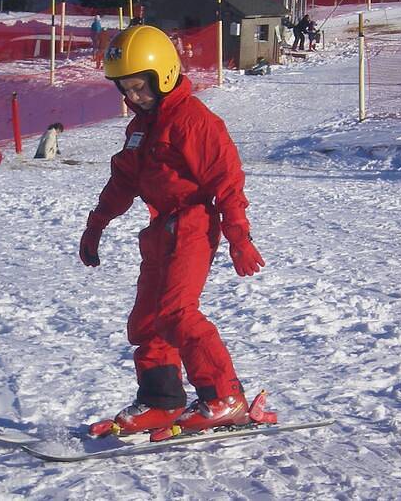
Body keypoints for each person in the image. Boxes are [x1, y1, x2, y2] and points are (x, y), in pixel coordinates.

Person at [80, 24, 265, 438]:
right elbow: (123, 182)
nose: (132, 98)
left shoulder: (194, 122)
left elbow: (227, 181)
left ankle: (225, 397)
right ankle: (162, 401)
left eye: (139, 88)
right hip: (160, 227)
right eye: (124, 89)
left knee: (178, 314)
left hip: (194, 223)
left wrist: (239, 237)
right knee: (147, 320)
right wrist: (96, 225)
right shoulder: (141, 128)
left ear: (163, 74)